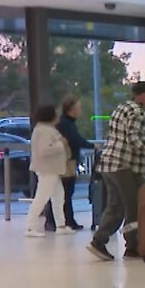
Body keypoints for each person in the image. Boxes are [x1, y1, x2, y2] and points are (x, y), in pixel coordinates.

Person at [88, 81, 145, 261]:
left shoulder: (122, 108)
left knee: (115, 207)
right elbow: (134, 139)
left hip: (111, 165)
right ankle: (132, 246)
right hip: (126, 168)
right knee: (135, 209)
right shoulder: (138, 112)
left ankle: (100, 240)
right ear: (142, 95)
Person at [43, 96, 95, 232]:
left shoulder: (66, 123)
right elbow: (75, 140)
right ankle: (63, 220)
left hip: (66, 161)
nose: (80, 111)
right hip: (67, 162)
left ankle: (60, 220)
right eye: (78, 107)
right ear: (71, 109)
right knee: (65, 192)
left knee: (63, 192)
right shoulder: (67, 124)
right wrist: (92, 146)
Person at [24, 105, 73, 238]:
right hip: (47, 169)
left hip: (52, 169)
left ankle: (61, 225)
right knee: (42, 197)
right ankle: (30, 227)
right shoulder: (43, 131)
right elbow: (44, 151)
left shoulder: (45, 129)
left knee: (58, 196)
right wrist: (61, 144)